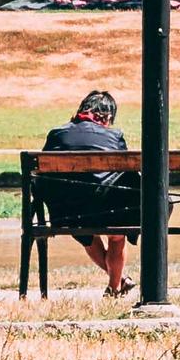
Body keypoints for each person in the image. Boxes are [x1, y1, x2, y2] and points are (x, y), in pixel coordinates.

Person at [43, 88, 135, 295]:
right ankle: (114, 287)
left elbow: (42, 178)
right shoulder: (114, 136)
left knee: (86, 234)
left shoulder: (57, 134)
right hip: (109, 208)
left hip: (68, 212)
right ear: (108, 116)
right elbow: (125, 173)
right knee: (117, 235)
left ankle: (118, 283)